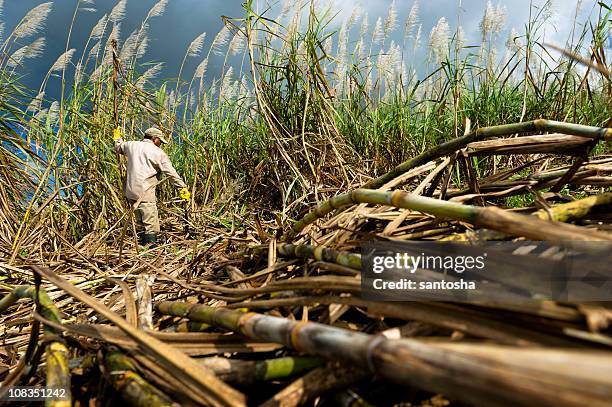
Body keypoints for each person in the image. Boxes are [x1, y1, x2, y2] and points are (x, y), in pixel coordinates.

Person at [113, 126, 190, 246]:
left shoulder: (131, 145)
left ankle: (141, 245)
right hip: (145, 192)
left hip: (130, 191)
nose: (161, 144)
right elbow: (171, 173)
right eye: (160, 141)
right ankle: (151, 250)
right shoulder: (158, 153)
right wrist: (182, 187)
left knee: (140, 221)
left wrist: (117, 138)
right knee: (150, 224)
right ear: (154, 139)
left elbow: (118, 147)